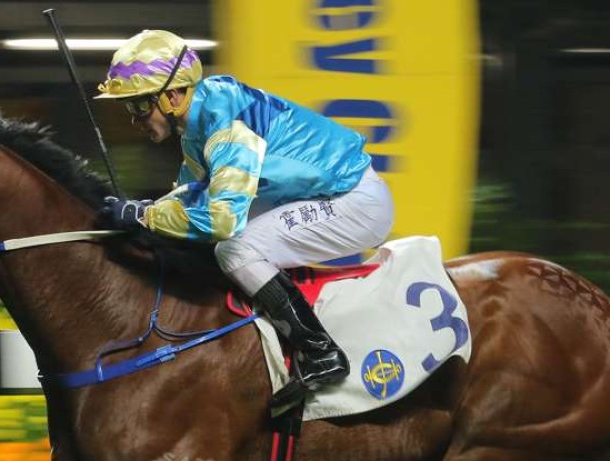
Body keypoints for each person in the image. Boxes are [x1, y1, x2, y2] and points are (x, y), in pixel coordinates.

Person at [95, 29, 394, 409]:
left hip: (354, 202)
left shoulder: (226, 129)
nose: (134, 119)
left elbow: (221, 221)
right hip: (323, 194)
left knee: (235, 249)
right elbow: (191, 196)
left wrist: (145, 216)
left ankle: (321, 353)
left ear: (173, 96)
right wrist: (138, 213)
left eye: (139, 105)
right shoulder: (199, 123)